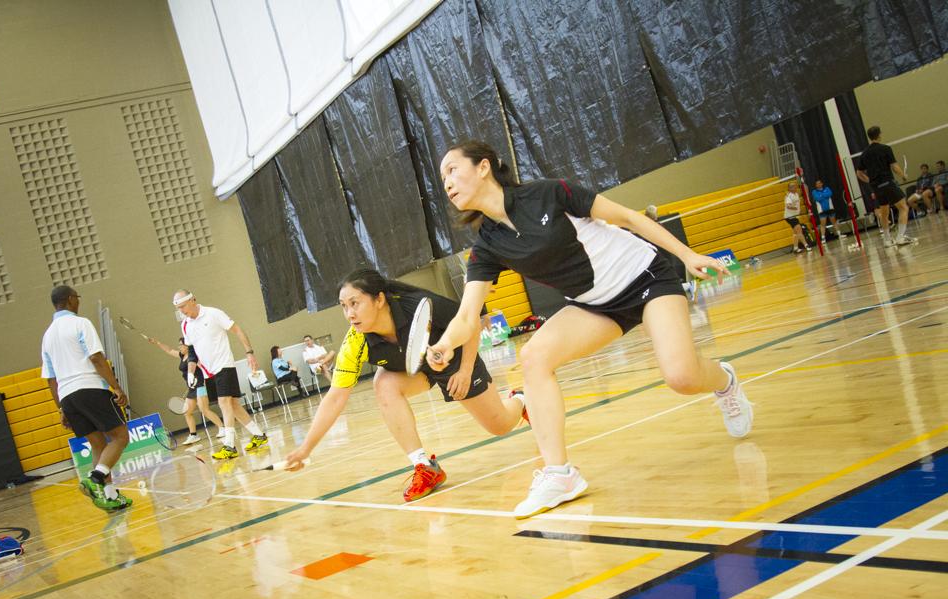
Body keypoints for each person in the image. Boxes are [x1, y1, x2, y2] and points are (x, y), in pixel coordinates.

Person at [431, 140, 753, 519]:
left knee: (682, 377)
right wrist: (445, 344)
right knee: (533, 356)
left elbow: (629, 218)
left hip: (644, 278)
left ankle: (724, 381)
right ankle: (560, 476)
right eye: (442, 178)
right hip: (595, 306)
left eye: (452, 169)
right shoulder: (486, 246)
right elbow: (467, 318)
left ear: (484, 167)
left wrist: (687, 255)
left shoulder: (549, 193)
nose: (447, 183)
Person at [284, 269, 526, 501]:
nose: (349, 314)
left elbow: (469, 323)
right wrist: (306, 448)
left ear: (379, 300)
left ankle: (521, 399)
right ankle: (425, 466)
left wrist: (465, 371)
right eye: (344, 306)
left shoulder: (419, 306)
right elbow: (335, 397)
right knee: (383, 384)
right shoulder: (355, 343)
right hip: (414, 369)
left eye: (355, 303)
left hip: (453, 359)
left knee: (501, 426)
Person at [40, 285, 132, 512]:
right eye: (77, 298)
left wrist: (61, 409)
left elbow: (51, 379)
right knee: (120, 436)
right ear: (71, 299)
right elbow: (96, 357)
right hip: (89, 388)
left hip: (67, 397)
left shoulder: (47, 336)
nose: (78, 302)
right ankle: (96, 478)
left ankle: (109, 496)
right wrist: (117, 388)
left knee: (98, 444)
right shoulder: (80, 323)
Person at [173, 290, 269, 459]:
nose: (181, 311)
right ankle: (259, 435)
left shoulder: (213, 313)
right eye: (178, 308)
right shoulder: (185, 325)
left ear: (192, 300)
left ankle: (229, 446)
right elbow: (192, 351)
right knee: (233, 404)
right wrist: (190, 371)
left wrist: (249, 352)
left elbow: (238, 330)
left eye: (182, 306)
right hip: (207, 372)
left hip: (224, 365)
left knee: (223, 402)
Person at [147, 336, 225, 445]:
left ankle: (222, 428)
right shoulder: (181, 356)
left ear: (187, 346)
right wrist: (157, 342)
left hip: (200, 386)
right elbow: (169, 350)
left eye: (180, 345)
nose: (179, 347)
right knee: (187, 412)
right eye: (178, 345)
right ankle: (193, 435)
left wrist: (206, 381)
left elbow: (203, 368)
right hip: (192, 388)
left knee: (204, 409)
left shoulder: (194, 358)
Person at [856, 126, 914, 247]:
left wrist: (871, 181)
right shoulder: (885, 148)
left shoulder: (865, 154)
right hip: (888, 182)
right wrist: (903, 174)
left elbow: (859, 174)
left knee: (884, 212)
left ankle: (887, 240)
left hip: (877, 187)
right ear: (879, 135)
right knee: (904, 207)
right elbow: (894, 167)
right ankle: (900, 237)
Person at [784, 183, 811, 253]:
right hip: (790, 216)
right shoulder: (789, 196)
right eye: (792, 186)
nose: (795, 187)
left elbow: (798, 205)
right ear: (789, 188)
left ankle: (796, 248)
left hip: (795, 216)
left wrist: (802, 214)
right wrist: (794, 208)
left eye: (795, 186)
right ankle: (806, 245)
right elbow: (788, 206)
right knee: (799, 230)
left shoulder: (796, 195)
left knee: (796, 232)